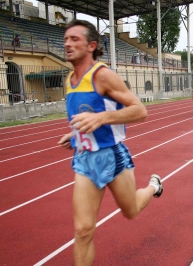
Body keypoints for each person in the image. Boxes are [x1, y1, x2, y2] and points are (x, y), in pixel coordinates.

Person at [57, 19, 163, 265]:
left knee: (131, 211)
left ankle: (154, 186)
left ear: (91, 45)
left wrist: (101, 118)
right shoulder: (69, 80)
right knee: (83, 230)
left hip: (111, 156)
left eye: (75, 39)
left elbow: (140, 111)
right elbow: (86, 115)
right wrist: (74, 134)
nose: (68, 44)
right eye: (65, 40)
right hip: (84, 159)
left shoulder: (103, 76)